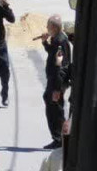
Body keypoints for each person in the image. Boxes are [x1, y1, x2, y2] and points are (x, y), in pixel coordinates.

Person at [40, 15, 72, 149]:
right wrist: (45, 42)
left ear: (53, 27)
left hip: (56, 82)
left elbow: (60, 67)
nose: (47, 28)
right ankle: (60, 138)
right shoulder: (56, 39)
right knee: (51, 105)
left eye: (48, 26)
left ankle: (60, 138)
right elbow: (51, 53)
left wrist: (57, 89)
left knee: (55, 110)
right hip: (54, 81)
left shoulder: (60, 42)